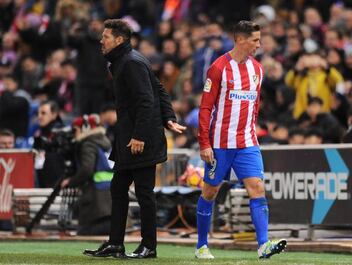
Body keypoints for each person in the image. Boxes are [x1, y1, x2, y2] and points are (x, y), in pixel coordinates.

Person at [83, 19, 186, 259]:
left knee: (144, 192)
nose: (101, 40)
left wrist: (140, 134)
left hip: (141, 139)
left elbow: (146, 100)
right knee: (118, 188)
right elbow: (158, 88)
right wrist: (168, 117)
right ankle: (115, 244)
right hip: (130, 136)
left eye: (106, 36)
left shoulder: (130, 63)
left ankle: (149, 246)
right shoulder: (126, 61)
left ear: (119, 40)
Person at [196, 20, 287, 259]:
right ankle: (202, 245)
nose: (259, 44)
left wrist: (252, 129)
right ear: (240, 40)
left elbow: (254, 105)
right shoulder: (218, 68)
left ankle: (263, 245)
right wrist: (204, 143)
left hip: (247, 141)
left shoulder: (257, 69)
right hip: (220, 143)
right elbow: (205, 108)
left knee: (257, 188)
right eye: (255, 40)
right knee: (210, 192)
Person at [61, 114, 112, 235]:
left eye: (75, 130)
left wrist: (71, 181)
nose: (73, 134)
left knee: (85, 232)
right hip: (109, 197)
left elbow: (86, 169)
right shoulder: (103, 142)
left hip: (96, 200)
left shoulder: (88, 144)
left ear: (84, 129)